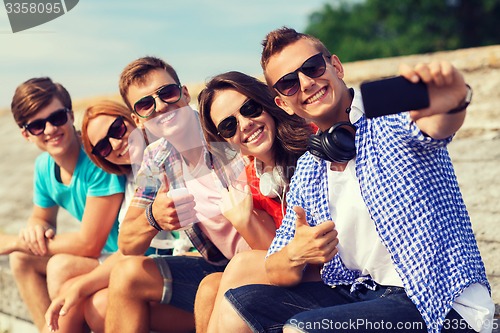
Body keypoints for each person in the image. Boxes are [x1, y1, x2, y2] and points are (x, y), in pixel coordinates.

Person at [218, 27, 494, 333]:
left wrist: (453, 101)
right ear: (283, 103)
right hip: (365, 295)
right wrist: (295, 254)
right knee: (238, 304)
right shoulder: (310, 167)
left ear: (336, 67)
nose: (307, 83)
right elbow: (274, 267)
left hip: (440, 304)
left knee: (302, 329)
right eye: (289, 83)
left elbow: (437, 124)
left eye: (312, 68)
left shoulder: (389, 119)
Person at [104, 56, 276, 333]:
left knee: (211, 289)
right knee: (126, 274)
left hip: (265, 258)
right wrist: (153, 218)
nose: (161, 106)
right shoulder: (154, 158)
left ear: (184, 94)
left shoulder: (227, 129)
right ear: (138, 119)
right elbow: (127, 243)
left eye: (167, 93)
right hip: (219, 264)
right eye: (146, 104)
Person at [44, 100, 191, 333]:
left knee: (98, 303)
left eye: (117, 129)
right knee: (72, 286)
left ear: (131, 119)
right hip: (163, 270)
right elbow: (128, 248)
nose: (115, 144)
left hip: (189, 271)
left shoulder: (165, 156)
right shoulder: (134, 179)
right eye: (103, 147)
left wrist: (81, 287)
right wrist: (79, 288)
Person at [194, 71, 317, 333]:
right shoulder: (252, 177)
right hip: (294, 269)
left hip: (334, 269)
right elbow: (275, 258)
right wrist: (244, 220)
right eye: (229, 125)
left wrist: (244, 221)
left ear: (268, 102)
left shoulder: (314, 140)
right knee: (209, 288)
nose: (244, 124)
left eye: (250, 108)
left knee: (240, 265)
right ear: (224, 140)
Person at [6, 77, 125, 332]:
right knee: (21, 259)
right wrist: (34, 228)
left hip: (126, 256)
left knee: (59, 266)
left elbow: (88, 242)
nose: (50, 129)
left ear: (71, 116)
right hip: (100, 257)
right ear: (26, 134)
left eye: (57, 118)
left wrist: (15, 240)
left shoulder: (97, 156)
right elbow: (42, 217)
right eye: (37, 125)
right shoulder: (44, 167)